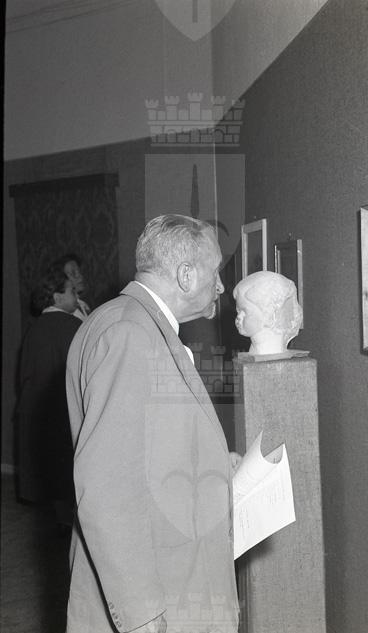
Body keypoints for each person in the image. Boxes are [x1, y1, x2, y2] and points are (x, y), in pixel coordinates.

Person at [65, 214, 239, 633]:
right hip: (162, 594)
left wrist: (214, 463)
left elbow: (143, 450)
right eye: (215, 272)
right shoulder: (130, 334)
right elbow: (108, 486)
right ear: (185, 274)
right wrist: (142, 613)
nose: (220, 286)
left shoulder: (126, 321)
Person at [15, 267, 81, 528]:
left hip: (36, 413)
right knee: (66, 474)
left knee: (50, 474)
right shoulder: (73, 326)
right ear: (57, 297)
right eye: (72, 291)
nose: (77, 295)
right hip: (62, 413)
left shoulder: (34, 329)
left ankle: (60, 520)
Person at [233, 271, 302, 356]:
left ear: (268, 313)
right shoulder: (257, 351)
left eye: (245, 312)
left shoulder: (270, 350)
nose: (239, 316)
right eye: (238, 311)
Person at [53, 253, 91, 320]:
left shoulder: (83, 305)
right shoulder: (63, 309)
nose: (80, 276)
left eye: (79, 272)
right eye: (73, 273)